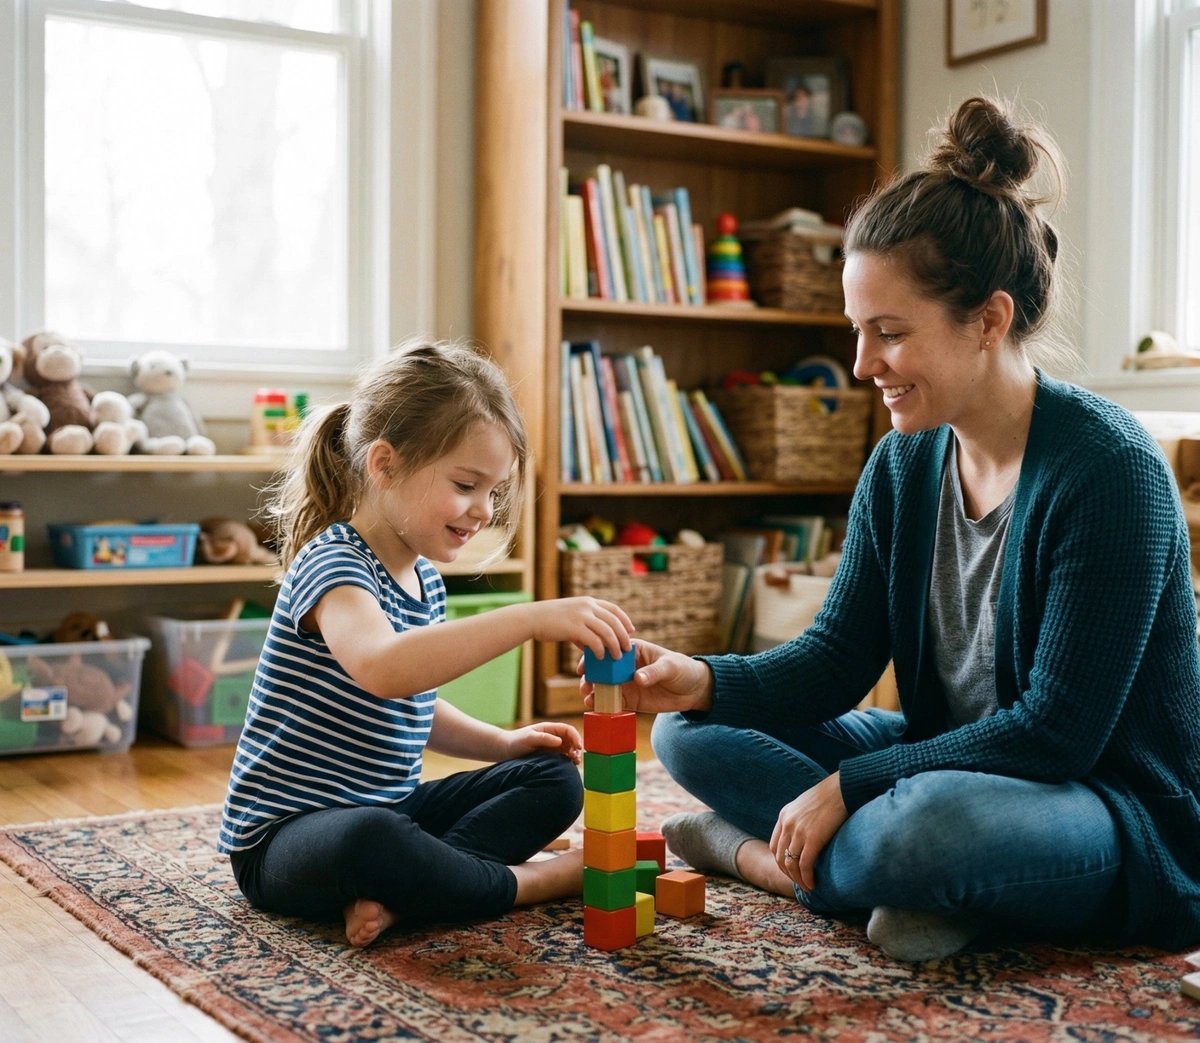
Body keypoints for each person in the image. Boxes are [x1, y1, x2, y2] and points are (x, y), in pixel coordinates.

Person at [586, 97, 1200, 961]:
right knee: (688, 728)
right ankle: (928, 892)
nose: (862, 365)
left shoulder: (1109, 470)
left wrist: (850, 784)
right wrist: (697, 675)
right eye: (857, 331)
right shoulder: (905, 462)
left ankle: (759, 855)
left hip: (1100, 799)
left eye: (889, 333)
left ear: (987, 319)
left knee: (917, 835)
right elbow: (836, 658)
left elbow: (1056, 733)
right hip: (942, 754)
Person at [220, 339, 634, 947]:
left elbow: (411, 705)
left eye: (493, 492)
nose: (483, 511)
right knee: (371, 839)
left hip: (391, 808)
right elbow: (385, 671)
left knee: (552, 779)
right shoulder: (332, 564)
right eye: (467, 485)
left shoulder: (426, 580)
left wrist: (502, 743)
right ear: (384, 464)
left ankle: (413, 892)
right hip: (286, 839)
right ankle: (526, 883)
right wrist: (528, 619)